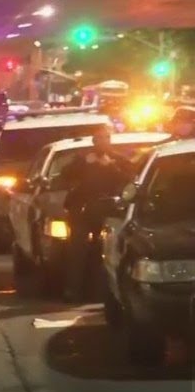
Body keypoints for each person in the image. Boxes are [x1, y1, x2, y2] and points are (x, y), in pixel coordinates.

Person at [59, 126, 129, 302]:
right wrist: (84, 163)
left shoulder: (118, 160)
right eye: (99, 138)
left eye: (106, 138)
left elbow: (129, 180)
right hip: (83, 210)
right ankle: (73, 291)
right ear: (93, 141)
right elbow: (65, 174)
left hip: (109, 211)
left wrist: (111, 166)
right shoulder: (83, 159)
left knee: (107, 251)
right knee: (77, 250)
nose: (103, 142)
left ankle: (102, 292)